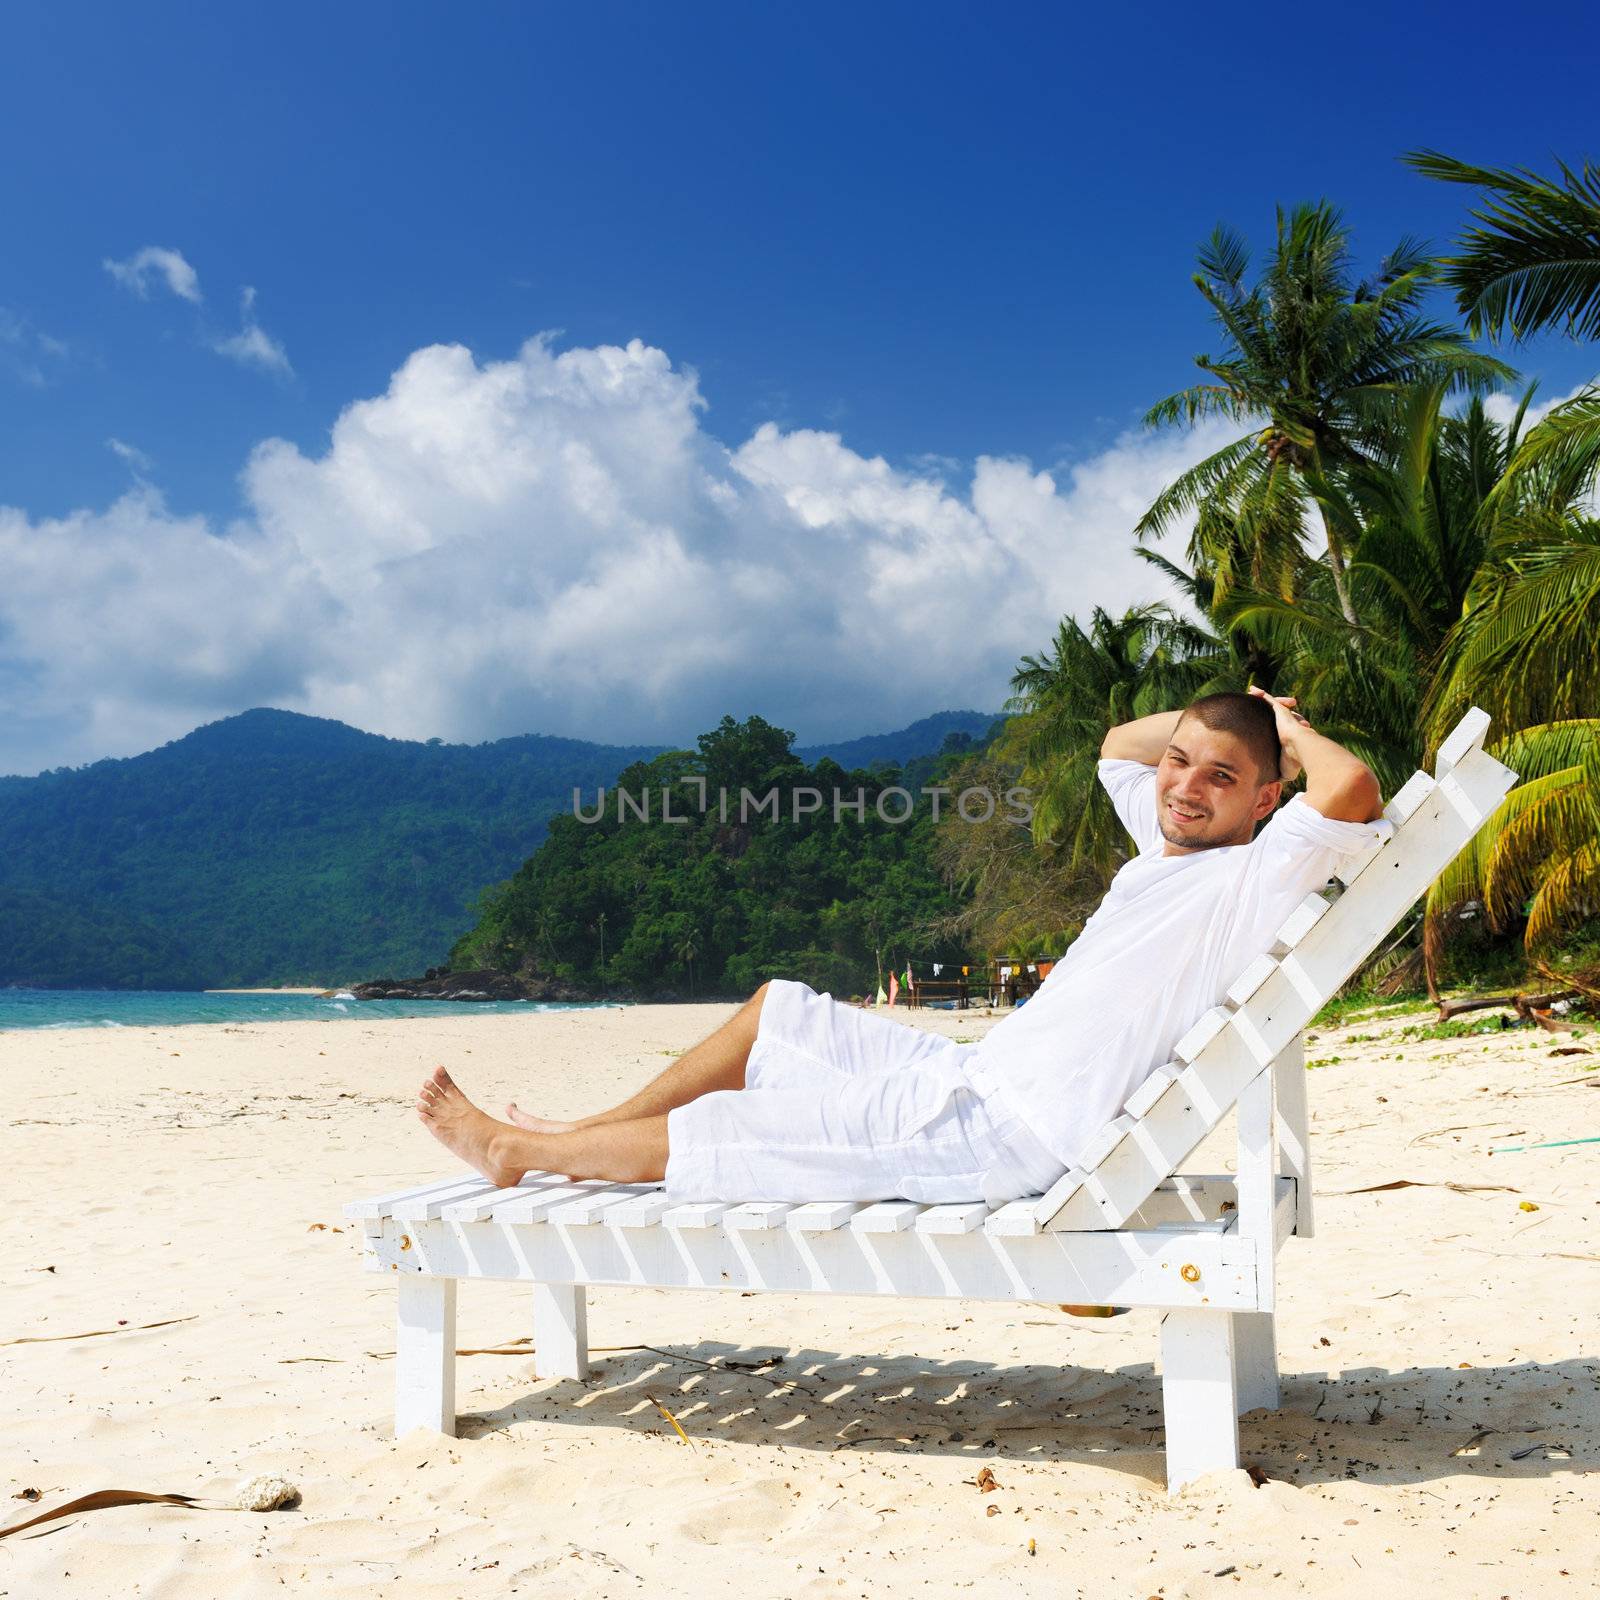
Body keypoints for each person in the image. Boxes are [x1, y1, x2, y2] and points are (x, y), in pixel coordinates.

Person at [415, 686, 1390, 1210]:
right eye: (1181, 760)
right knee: (776, 1011)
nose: (1182, 783)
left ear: (1265, 798)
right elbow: (1112, 746)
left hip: (1000, 1130)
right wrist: (1221, 716)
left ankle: (518, 1149)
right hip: (972, 1078)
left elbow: (1351, 790)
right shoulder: (1172, 844)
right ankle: (567, 1135)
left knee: (740, 1132)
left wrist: (1288, 726)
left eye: (1221, 774)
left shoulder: (1251, 873)